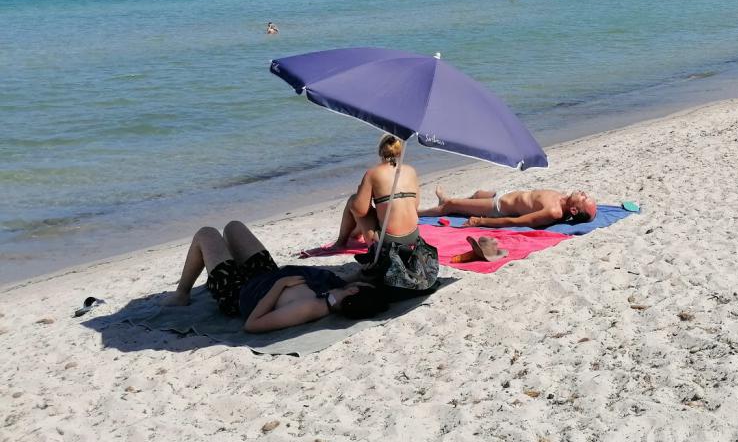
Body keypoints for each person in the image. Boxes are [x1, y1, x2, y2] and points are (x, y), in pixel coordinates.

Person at [162, 220, 388, 332]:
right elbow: (337, 283)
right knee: (233, 227)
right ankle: (225, 260)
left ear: (355, 290)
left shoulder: (310, 308)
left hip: (237, 293)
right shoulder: (333, 294)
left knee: (206, 233)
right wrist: (359, 273)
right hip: (264, 275)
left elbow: (253, 324)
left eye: (359, 283)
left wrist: (280, 285)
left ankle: (182, 293)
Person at [333, 134, 422, 251]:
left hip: (388, 242)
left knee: (353, 201)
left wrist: (361, 192)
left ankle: (340, 242)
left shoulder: (373, 173)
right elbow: (415, 205)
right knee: (383, 209)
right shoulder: (411, 171)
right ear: (399, 152)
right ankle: (354, 234)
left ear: (380, 152)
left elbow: (359, 211)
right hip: (413, 237)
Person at [421, 187, 597, 228]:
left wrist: (481, 221)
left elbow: (518, 221)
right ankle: (449, 203)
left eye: (584, 198)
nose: (583, 193)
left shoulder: (554, 211)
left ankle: (418, 212)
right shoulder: (564, 199)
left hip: (497, 207)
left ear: (574, 210)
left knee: (451, 205)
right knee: (477, 193)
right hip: (506, 194)